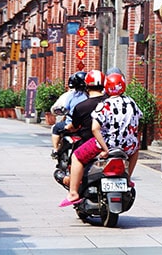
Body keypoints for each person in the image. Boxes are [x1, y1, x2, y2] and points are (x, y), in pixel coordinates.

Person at [60, 72, 142, 207]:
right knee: (136, 150)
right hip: (128, 145)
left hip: (107, 144)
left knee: (76, 157)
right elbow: (139, 122)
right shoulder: (131, 103)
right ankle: (127, 178)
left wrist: (105, 149)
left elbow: (95, 129)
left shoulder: (104, 105)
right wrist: (133, 140)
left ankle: (73, 193)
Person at [50, 71, 88, 157]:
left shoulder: (71, 96)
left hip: (71, 124)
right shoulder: (89, 96)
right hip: (86, 126)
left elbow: (65, 108)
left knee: (56, 128)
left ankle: (55, 149)